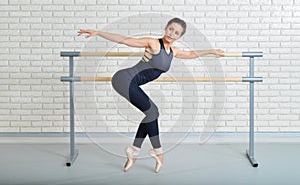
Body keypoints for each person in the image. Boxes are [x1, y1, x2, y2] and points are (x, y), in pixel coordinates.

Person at [78, 17, 224, 173]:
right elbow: (125, 40)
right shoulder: (154, 43)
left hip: (130, 83)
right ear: (166, 27)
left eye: (176, 32)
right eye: (170, 29)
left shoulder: (173, 51)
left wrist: (211, 52)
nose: (171, 33)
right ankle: (157, 151)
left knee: (151, 114)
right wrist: (99, 33)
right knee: (152, 112)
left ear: (179, 37)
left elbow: (190, 54)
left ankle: (135, 151)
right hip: (124, 79)